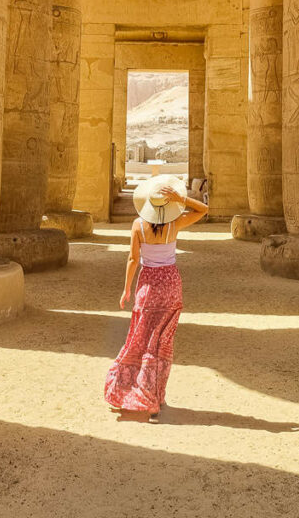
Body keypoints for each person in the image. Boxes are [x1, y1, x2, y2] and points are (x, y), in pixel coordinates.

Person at [104, 175, 208, 421]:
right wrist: (181, 199)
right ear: (168, 206)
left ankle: (136, 394)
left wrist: (126, 289)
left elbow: (132, 259)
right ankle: (155, 398)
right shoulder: (174, 224)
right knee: (162, 344)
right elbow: (204, 210)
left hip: (148, 286)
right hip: (171, 285)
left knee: (140, 340)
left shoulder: (138, 226)